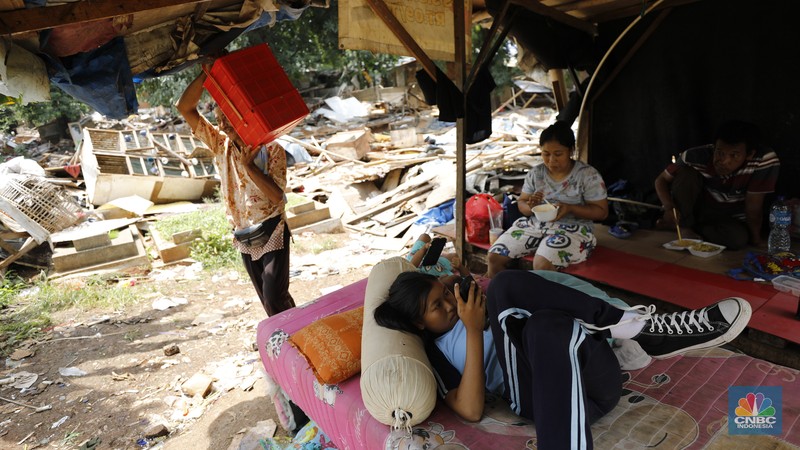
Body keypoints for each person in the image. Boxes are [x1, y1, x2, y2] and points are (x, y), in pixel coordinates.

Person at [374, 270, 751, 449]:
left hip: (599, 385)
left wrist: (485, 312)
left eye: (445, 294)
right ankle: (632, 327)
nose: (450, 306)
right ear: (418, 324)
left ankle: (629, 327)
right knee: (508, 287)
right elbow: (470, 410)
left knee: (545, 324)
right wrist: (474, 330)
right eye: (436, 307)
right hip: (540, 395)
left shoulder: (473, 301)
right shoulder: (434, 354)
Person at [176, 67, 295, 316]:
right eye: (219, 118)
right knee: (269, 300)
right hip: (243, 233)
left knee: (274, 296)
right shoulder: (221, 145)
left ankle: (297, 335)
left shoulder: (270, 148)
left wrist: (249, 166)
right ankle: (288, 340)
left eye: (227, 117)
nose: (222, 124)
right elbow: (184, 108)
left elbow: (277, 197)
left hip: (271, 227)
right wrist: (206, 75)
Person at [487, 121, 608, 276]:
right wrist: (531, 206)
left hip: (573, 229)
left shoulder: (587, 175)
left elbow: (602, 212)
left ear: (571, 150)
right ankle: (499, 297)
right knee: (494, 257)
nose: (551, 160)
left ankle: (540, 299)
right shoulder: (536, 173)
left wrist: (570, 208)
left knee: (541, 265)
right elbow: (522, 204)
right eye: (546, 154)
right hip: (534, 225)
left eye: (558, 154)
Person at [654, 120, 780, 250]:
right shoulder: (694, 156)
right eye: (720, 152)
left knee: (737, 240)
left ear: (749, 155)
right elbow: (661, 180)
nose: (724, 161)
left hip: (730, 218)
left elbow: (753, 208)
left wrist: (756, 240)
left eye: (734, 155)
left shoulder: (764, 160)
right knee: (687, 173)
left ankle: (680, 227)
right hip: (700, 208)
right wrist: (669, 207)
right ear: (714, 147)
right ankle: (684, 227)